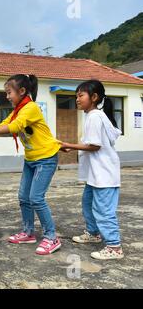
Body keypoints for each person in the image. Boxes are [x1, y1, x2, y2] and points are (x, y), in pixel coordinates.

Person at [0, 74, 62, 255]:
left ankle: (51, 237)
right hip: (31, 160)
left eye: (9, 93)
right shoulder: (17, 110)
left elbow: (15, 127)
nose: (7, 96)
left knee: (36, 198)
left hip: (46, 158)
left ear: (22, 91)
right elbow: (6, 124)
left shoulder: (30, 108)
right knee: (23, 197)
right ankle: (28, 232)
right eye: (6, 93)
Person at [60, 80, 124, 260]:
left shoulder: (95, 116)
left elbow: (95, 145)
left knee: (104, 210)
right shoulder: (92, 115)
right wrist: (73, 147)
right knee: (88, 204)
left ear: (94, 97)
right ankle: (93, 233)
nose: (77, 99)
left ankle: (114, 246)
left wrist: (69, 145)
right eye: (76, 96)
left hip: (104, 174)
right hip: (95, 174)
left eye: (81, 95)